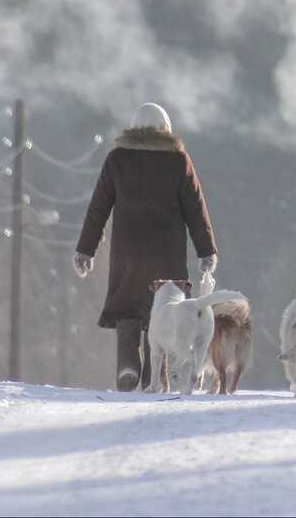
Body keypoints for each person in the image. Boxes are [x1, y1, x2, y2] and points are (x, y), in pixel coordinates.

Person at [73, 102, 218, 392]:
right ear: (166, 129)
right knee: (165, 310)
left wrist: (86, 249)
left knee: (127, 306)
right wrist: (206, 250)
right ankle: (156, 375)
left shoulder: (117, 160)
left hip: (128, 251)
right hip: (167, 252)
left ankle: (128, 363)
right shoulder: (178, 161)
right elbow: (195, 209)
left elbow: (98, 207)